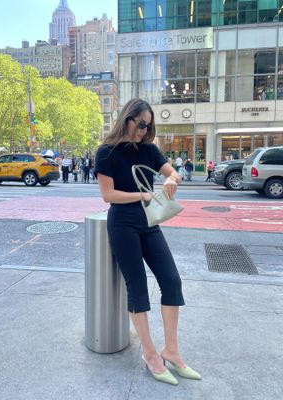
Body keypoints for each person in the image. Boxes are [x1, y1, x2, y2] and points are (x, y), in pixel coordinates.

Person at [94, 98, 201, 385]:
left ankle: (172, 350)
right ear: (127, 119)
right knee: (138, 287)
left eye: (148, 125)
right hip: (123, 224)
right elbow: (108, 195)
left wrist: (172, 180)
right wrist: (142, 196)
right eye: (141, 124)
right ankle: (151, 354)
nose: (144, 130)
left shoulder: (150, 150)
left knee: (171, 281)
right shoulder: (106, 152)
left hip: (149, 223)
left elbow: (173, 172)